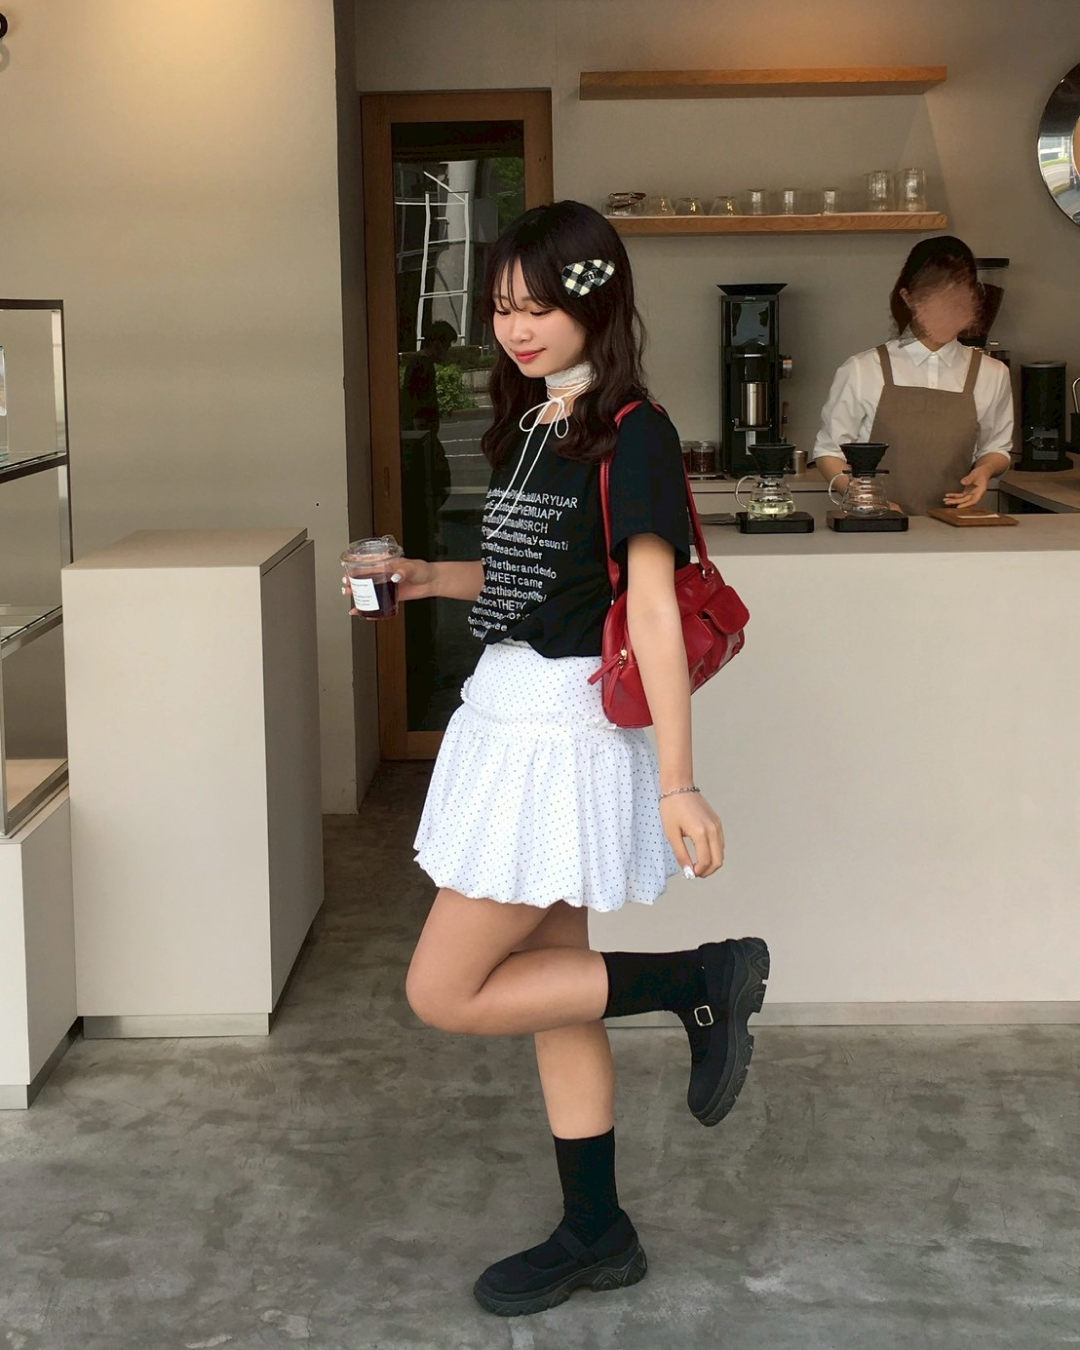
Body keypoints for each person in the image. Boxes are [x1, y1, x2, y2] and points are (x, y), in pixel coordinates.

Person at [349, 200, 770, 1318]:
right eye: (501, 308)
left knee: (444, 989)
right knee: (554, 993)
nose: (517, 328)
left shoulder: (633, 430)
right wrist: (427, 580)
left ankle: (696, 981)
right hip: (509, 717)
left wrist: (679, 779)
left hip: (558, 740)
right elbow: (538, 580)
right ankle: (598, 1230)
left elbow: (651, 612)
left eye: (538, 307)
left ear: (595, 303)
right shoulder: (539, 420)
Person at [810, 235, 1014, 514]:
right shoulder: (862, 369)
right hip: (875, 526)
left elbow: (996, 448)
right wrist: (866, 499)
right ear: (908, 298)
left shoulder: (992, 374)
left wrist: (985, 470)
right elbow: (828, 453)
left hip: (956, 527)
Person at [400, 319, 456, 512]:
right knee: (437, 480)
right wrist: (422, 434)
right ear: (437, 344)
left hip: (421, 434)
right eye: (446, 346)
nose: (447, 352)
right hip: (422, 436)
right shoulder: (422, 366)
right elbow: (416, 403)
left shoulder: (418, 364)